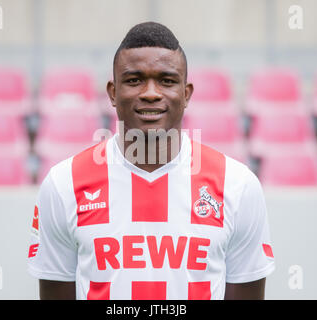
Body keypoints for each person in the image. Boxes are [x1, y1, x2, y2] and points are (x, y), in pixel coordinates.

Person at [27, 21, 275, 300]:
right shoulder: (64, 184)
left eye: (167, 81)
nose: (150, 93)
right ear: (112, 92)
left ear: (186, 93)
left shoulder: (237, 185)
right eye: (134, 80)